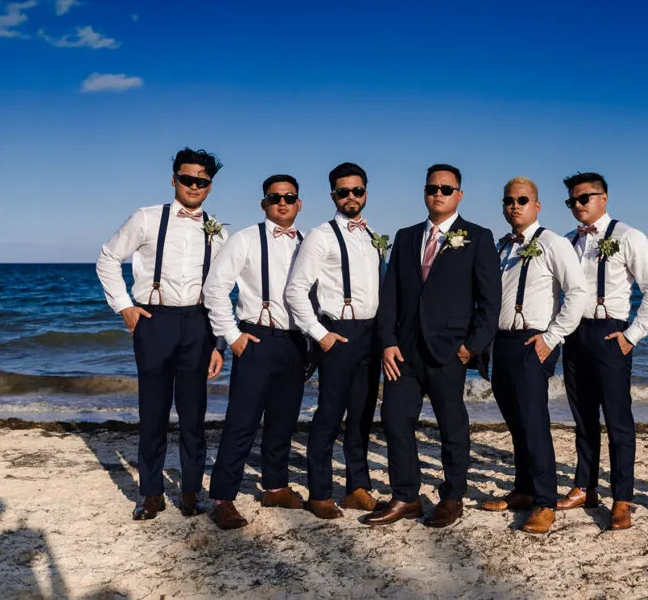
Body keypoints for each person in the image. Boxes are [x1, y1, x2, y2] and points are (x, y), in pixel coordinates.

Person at [366, 164, 501, 528]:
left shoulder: (478, 236)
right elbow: (389, 294)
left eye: (446, 188)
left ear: (459, 194)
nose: (437, 193)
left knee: (451, 425)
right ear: (424, 192)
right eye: (432, 188)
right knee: (394, 419)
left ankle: (453, 496)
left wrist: (471, 347)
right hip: (404, 353)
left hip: (449, 352)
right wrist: (388, 342)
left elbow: (490, 302)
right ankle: (406, 495)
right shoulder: (406, 236)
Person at [96, 148, 227, 520]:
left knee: (193, 416)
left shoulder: (217, 231)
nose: (193, 186)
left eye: (201, 181)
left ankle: (190, 493)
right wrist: (124, 307)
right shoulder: (146, 218)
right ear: (174, 180)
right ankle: (151, 494)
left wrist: (219, 342)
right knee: (153, 413)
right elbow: (107, 258)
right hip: (154, 321)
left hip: (199, 324)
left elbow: (220, 289)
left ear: (209, 187)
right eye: (187, 179)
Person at [558, 172, 648, 530]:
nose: (577, 205)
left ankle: (622, 498)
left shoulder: (628, 236)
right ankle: (584, 486)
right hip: (574, 336)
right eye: (572, 200)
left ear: (603, 198)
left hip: (610, 333)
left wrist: (631, 335)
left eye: (584, 198)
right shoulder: (566, 241)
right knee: (583, 418)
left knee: (618, 422)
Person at [480, 177, 587, 534]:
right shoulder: (501, 247)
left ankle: (544, 502)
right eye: (509, 200)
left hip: (533, 341)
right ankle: (524, 490)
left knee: (534, 423)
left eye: (522, 200)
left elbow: (577, 294)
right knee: (515, 422)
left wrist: (552, 338)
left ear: (537, 205)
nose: (515, 205)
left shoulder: (553, 243)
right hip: (502, 341)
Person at [204, 174, 308, 530]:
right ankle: (222, 497)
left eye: (289, 197)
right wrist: (232, 336)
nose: (282, 202)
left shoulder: (308, 242)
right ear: (264, 203)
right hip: (256, 339)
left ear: (299, 204)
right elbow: (215, 290)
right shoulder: (244, 239)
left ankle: (275, 486)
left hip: (296, 343)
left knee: (283, 421)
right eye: (275, 197)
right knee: (241, 423)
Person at [285, 162, 383, 519]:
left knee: (361, 415)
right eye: (343, 192)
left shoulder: (373, 235)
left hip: (371, 334)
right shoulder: (320, 236)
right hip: (338, 333)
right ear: (333, 196)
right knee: (328, 415)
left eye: (357, 191)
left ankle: (358, 488)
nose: (351, 197)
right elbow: (295, 291)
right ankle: (320, 492)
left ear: (366, 194)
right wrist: (321, 335)